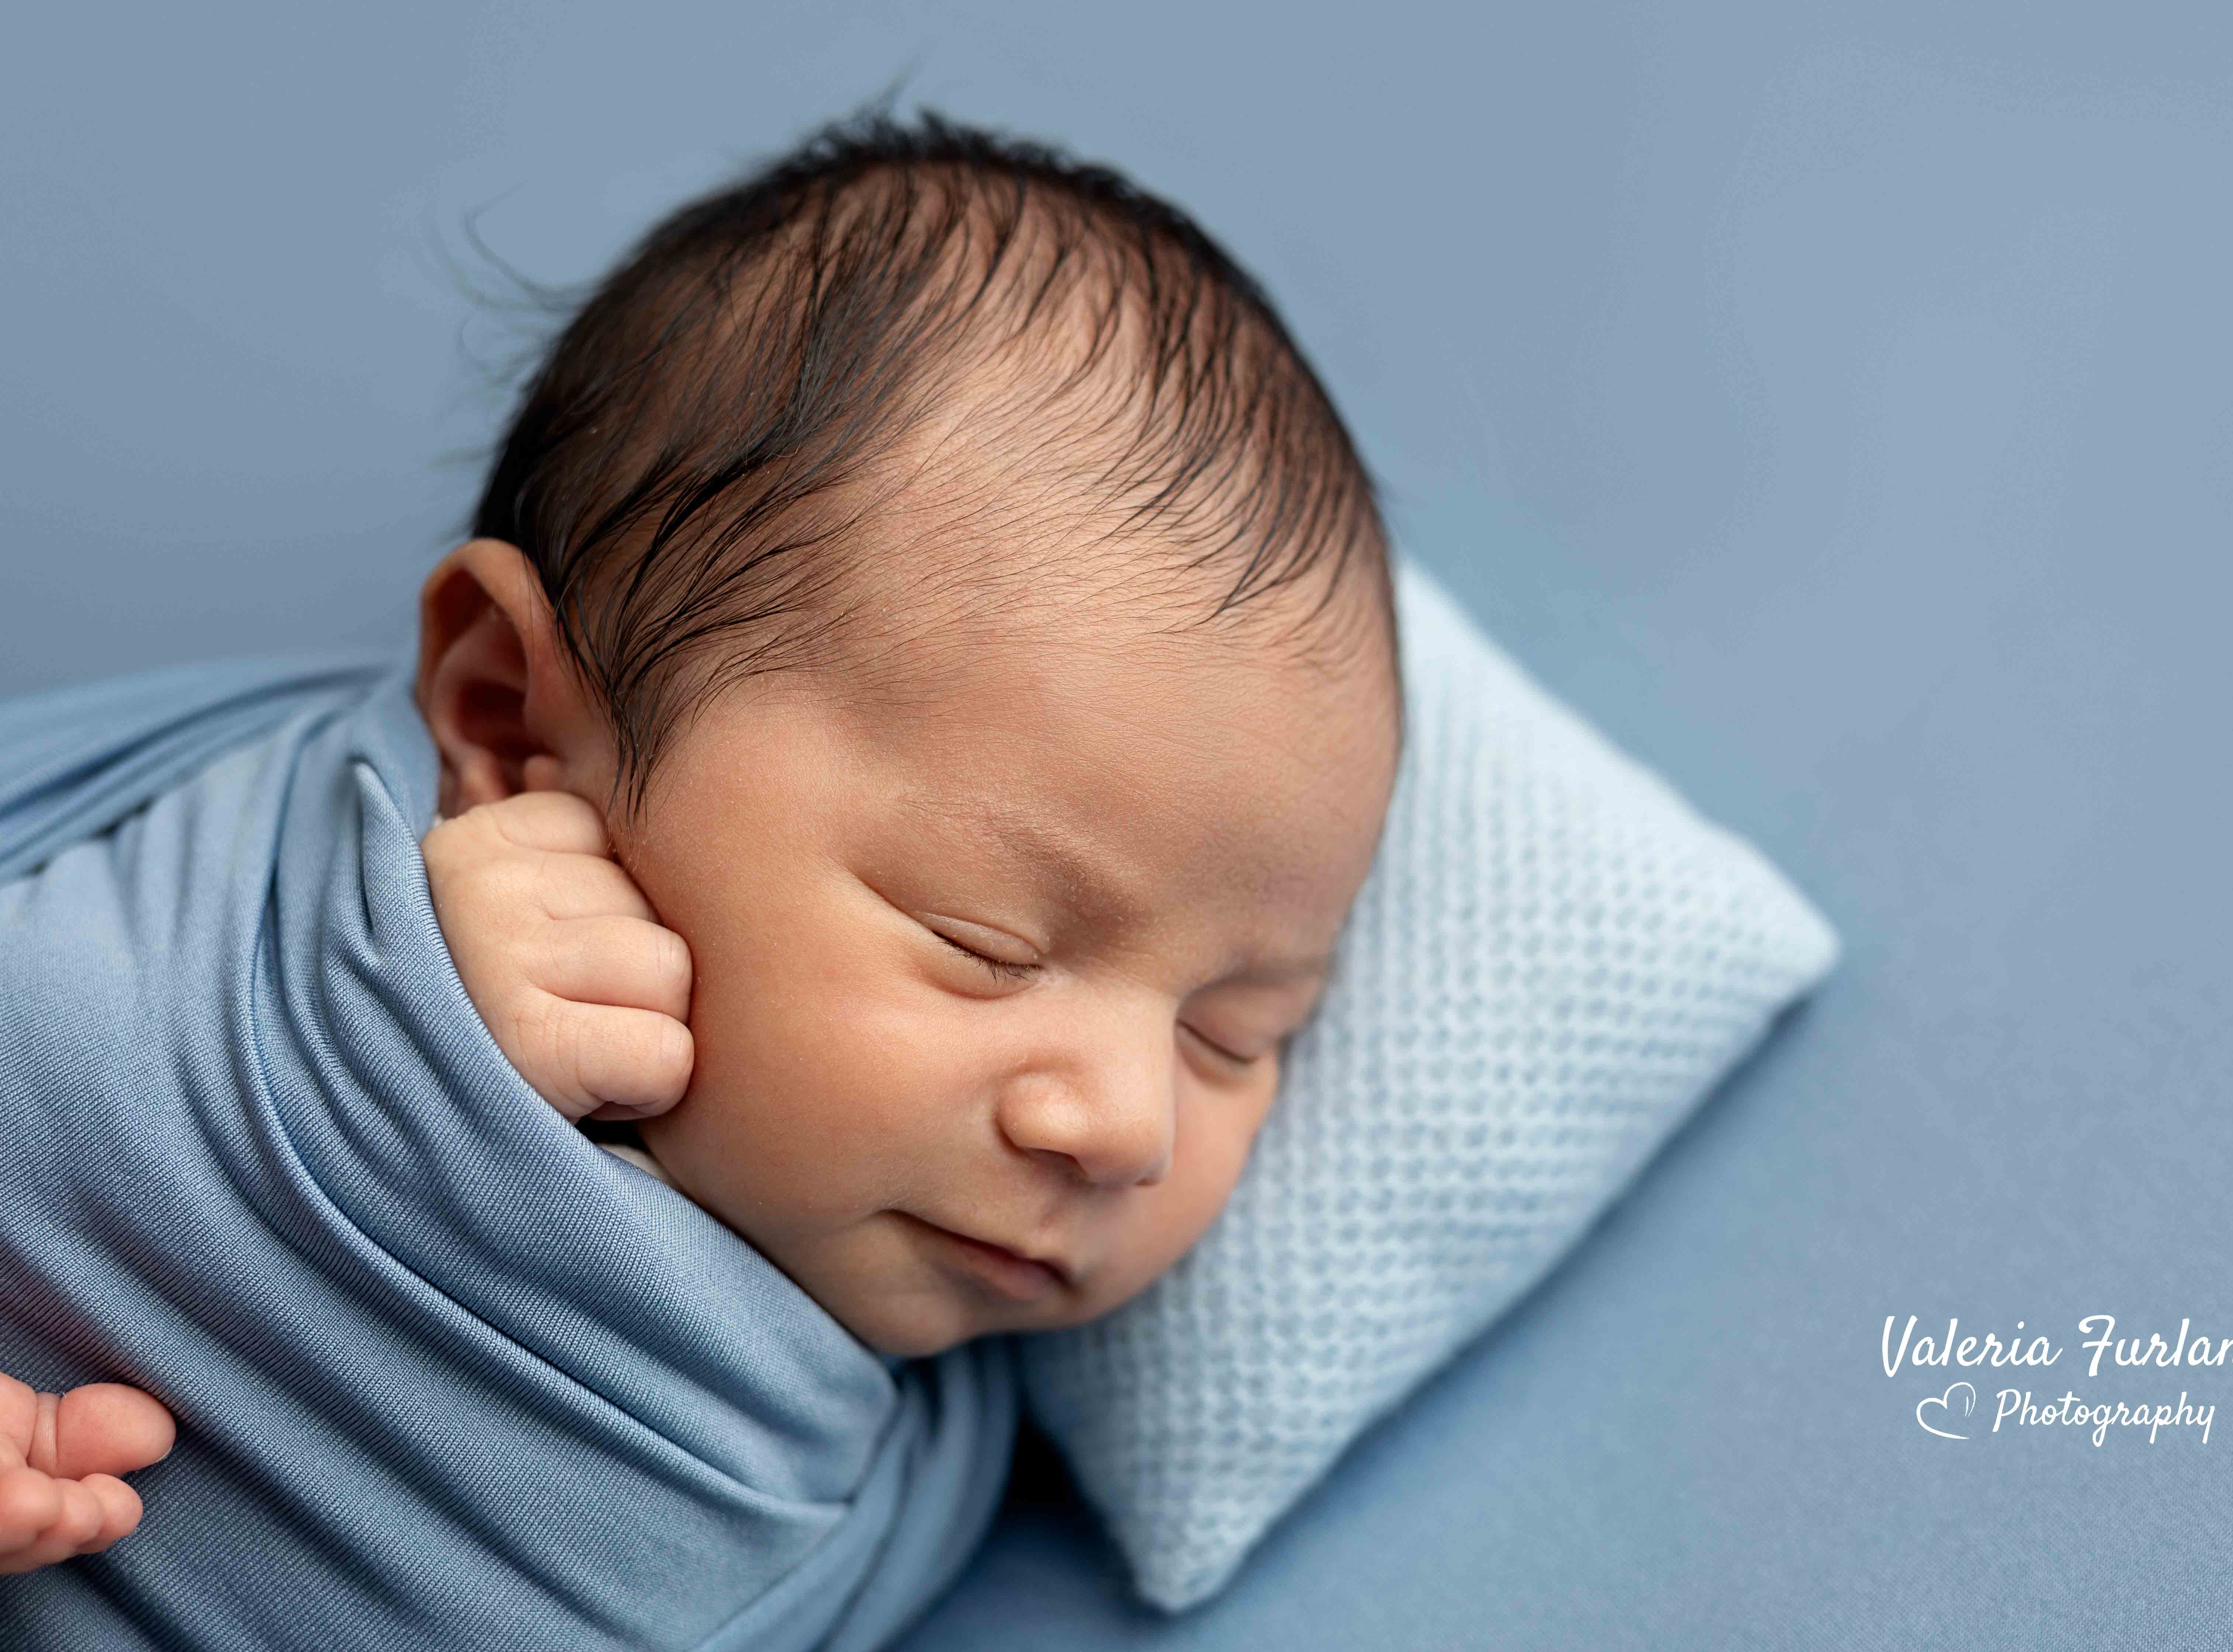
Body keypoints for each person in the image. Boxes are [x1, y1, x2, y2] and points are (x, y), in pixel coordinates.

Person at [0, 110, 1401, 1643]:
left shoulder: (894, 1468)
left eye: (1238, 1032)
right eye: (983, 941)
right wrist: (394, 1044)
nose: (1128, 1128)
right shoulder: (228, 941)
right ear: (505, 719)